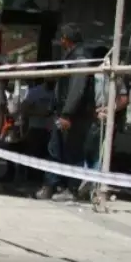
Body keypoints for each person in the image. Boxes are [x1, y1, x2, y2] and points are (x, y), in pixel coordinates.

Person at [37, 23, 96, 201]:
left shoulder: (80, 59)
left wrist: (67, 114)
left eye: (62, 37)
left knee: (73, 152)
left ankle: (71, 189)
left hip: (74, 117)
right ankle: (52, 185)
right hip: (62, 113)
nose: (60, 40)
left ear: (67, 39)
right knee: (55, 150)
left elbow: (77, 89)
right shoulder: (70, 57)